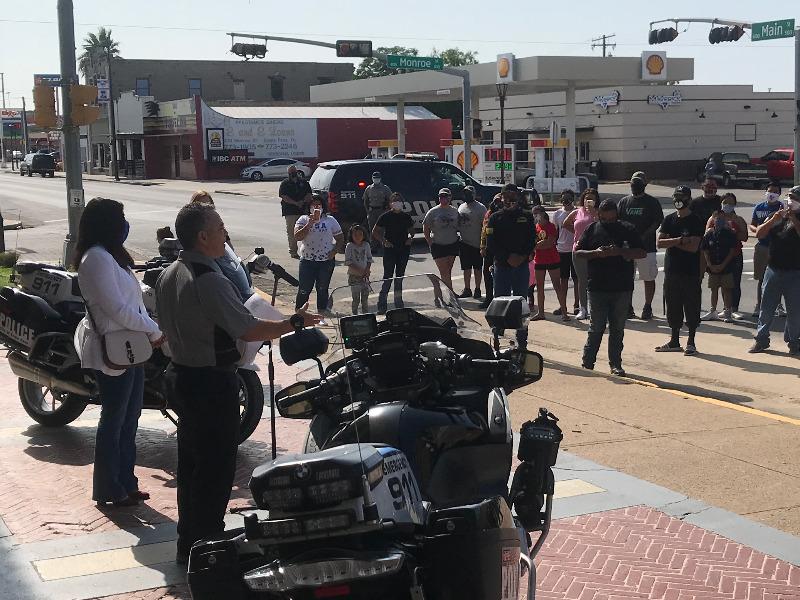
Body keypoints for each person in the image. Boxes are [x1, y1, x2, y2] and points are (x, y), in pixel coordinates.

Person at [155, 202, 321, 565]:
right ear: (202, 237)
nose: (224, 233)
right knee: (214, 469)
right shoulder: (209, 279)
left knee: (193, 465)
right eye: (219, 228)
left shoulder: (169, 273)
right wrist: (294, 322)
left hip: (182, 377)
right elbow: (248, 328)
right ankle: (208, 547)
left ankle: (190, 540)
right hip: (210, 384)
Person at [73, 198, 164, 507]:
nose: (126, 224)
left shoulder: (113, 256)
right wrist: (152, 329)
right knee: (114, 419)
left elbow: (133, 302)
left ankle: (126, 481)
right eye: (121, 218)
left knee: (130, 418)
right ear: (108, 224)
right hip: (114, 348)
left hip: (131, 348)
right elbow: (117, 309)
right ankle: (109, 487)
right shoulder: (95, 259)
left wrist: (148, 326)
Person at [575, 199, 647, 376]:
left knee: (617, 329)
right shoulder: (592, 229)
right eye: (605, 219)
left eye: (611, 219)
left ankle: (615, 363)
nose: (608, 222)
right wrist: (596, 253)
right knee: (596, 327)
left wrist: (620, 252)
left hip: (621, 287)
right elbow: (578, 252)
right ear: (599, 215)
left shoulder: (627, 229)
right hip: (598, 287)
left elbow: (641, 252)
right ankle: (588, 362)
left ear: (617, 215)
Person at [749, 185, 800, 355]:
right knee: (766, 308)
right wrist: (773, 220)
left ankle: (794, 342)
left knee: (794, 311)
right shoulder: (777, 215)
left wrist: (794, 219)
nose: (791, 201)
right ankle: (761, 340)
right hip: (773, 269)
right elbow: (759, 234)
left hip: (795, 272)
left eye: (795, 198)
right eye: (790, 197)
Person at [485, 183, 536, 347]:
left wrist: (521, 257)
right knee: (499, 301)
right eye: (506, 197)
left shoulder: (527, 216)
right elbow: (491, 243)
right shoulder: (494, 217)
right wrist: (507, 257)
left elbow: (531, 239)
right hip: (502, 266)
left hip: (521, 266)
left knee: (521, 303)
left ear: (518, 197)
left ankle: (522, 340)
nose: (509, 200)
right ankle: (498, 338)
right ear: (501, 198)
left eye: (512, 197)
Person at [655, 186, 704, 355]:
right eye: (676, 196)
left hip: (690, 271)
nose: (678, 200)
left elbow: (694, 247)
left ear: (689, 200)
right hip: (672, 270)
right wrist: (682, 240)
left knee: (691, 305)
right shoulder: (669, 219)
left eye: (682, 197)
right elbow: (660, 243)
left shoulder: (695, 221)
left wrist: (673, 241)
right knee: (673, 305)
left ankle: (691, 341)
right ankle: (674, 340)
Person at [190, 190, 253, 300]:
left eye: (209, 204)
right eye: (202, 204)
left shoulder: (216, 225)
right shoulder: (192, 228)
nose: (206, 207)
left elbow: (230, 250)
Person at [617, 171, 664, 320]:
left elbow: (657, 221)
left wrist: (644, 235)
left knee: (648, 277)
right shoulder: (624, 202)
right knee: (626, 278)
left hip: (646, 247)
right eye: (633, 184)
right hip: (628, 248)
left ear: (645, 184)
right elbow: (618, 221)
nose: (635, 186)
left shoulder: (652, 202)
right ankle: (628, 306)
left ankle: (647, 307)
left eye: (638, 183)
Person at [294, 193, 344, 314]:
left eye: (319, 205)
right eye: (314, 205)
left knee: (322, 288)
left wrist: (334, 251)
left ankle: (321, 313)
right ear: (309, 207)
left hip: (325, 261)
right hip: (307, 260)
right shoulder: (303, 219)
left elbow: (340, 238)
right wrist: (309, 224)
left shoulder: (330, 220)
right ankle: (299, 313)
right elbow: (297, 236)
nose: (316, 207)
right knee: (304, 289)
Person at [705, 193, 748, 319]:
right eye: (725, 202)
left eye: (730, 203)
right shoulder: (714, 218)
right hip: (717, 255)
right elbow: (706, 235)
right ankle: (718, 309)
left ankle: (733, 308)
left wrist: (731, 231)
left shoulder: (738, 219)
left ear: (734, 205)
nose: (727, 205)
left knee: (734, 282)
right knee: (717, 284)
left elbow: (744, 237)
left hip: (734, 255)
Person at [372, 192, 414, 314]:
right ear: (390, 203)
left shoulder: (406, 217)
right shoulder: (385, 216)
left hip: (403, 250)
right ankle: (382, 305)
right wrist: (383, 241)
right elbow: (375, 231)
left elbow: (412, 231)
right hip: (390, 250)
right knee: (388, 277)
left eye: (399, 201)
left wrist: (410, 239)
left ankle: (398, 304)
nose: (397, 203)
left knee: (399, 278)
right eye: (394, 201)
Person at [563, 188, 599, 320]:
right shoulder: (577, 212)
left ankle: (596, 309)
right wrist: (578, 235)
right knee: (582, 281)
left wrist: (595, 215)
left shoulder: (598, 213)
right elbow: (565, 224)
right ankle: (583, 309)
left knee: (595, 280)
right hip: (578, 250)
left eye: (592, 199)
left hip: (595, 251)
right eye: (586, 198)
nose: (588, 201)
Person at [750, 182, 786, 317]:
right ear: (766, 192)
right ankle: (759, 305)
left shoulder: (782, 208)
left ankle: (779, 306)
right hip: (762, 246)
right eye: (770, 191)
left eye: (775, 192)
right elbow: (752, 225)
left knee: (779, 276)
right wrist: (758, 230)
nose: (772, 194)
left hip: (778, 247)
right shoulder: (759, 207)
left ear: (779, 194)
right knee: (761, 278)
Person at [530, 206, 570, 321]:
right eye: (534, 214)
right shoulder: (536, 227)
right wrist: (540, 244)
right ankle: (541, 312)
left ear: (543, 213)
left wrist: (538, 245)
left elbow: (550, 243)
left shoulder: (551, 226)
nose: (535, 216)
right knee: (540, 287)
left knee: (557, 286)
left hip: (552, 259)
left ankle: (564, 312)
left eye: (537, 213)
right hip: (539, 259)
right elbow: (535, 243)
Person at [700, 212, 739, 323]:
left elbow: (731, 251)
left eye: (722, 218)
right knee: (714, 289)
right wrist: (709, 264)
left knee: (727, 289)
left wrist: (723, 265)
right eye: (717, 218)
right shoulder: (709, 234)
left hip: (726, 267)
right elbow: (705, 250)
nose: (719, 221)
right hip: (712, 267)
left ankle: (728, 311)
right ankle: (713, 311)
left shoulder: (730, 234)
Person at [423, 187, 460, 296]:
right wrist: (429, 241)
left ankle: (443, 293)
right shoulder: (433, 212)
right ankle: (450, 295)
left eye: (445, 196)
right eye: (441, 196)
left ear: (450, 197)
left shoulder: (454, 210)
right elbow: (425, 227)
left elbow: (460, 225)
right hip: (438, 245)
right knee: (444, 272)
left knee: (448, 271)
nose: (443, 198)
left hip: (452, 244)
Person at [457, 185, 487, 299]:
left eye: (469, 193)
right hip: (464, 243)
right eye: (465, 193)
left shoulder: (481, 208)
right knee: (466, 268)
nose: (466, 195)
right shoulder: (461, 207)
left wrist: (483, 244)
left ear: (474, 194)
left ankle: (478, 289)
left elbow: (484, 226)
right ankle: (467, 288)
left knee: (478, 268)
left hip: (476, 243)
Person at [552, 189, 579, 315]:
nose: (566, 201)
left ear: (573, 199)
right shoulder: (557, 214)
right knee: (563, 279)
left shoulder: (578, 213)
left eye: (568, 198)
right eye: (563, 199)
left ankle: (577, 305)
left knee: (576, 278)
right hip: (561, 250)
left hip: (574, 249)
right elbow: (555, 232)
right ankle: (562, 305)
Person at [279, 165, 313, 259]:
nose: (292, 174)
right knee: (291, 232)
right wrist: (295, 203)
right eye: (290, 173)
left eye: (293, 172)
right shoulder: (285, 183)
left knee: (306, 231)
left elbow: (309, 194)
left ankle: (307, 250)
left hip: (303, 210)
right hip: (290, 211)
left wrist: (303, 201)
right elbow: (283, 196)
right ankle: (293, 252)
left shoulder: (303, 182)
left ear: (297, 171)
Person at [479, 193, 504, 309]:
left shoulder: (505, 214)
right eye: (495, 201)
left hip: (501, 248)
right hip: (489, 248)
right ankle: (489, 298)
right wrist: (482, 246)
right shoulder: (488, 214)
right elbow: (484, 231)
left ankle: (500, 300)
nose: (497, 204)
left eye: (499, 201)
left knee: (500, 275)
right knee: (487, 273)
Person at [344, 224, 372, 314]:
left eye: (360, 234)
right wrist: (359, 270)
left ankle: (366, 315)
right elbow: (348, 261)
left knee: (365, 299)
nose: (358, 237)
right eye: (355, 235)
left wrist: (367, 270)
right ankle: (354, 315)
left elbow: (369, 258)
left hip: (365, 276)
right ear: (351, 236)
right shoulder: (349, 246)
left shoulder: (366, 245)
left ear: (363, 235)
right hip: (354, 276)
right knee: (356, 299)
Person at [363, 171, 392, 251]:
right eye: (374, 178)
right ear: (372, 179)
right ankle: (373, 246)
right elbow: (365, 200)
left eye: (377, 178)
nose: (376, 179)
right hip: (372, 211)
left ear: (380, 179)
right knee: (372, 228)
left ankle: (383, 245)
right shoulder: (368, 189)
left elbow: (390, 199)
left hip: (382, 210)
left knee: (382, 228)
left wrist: (387, 210)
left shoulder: (385, 188)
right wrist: (368, 211)